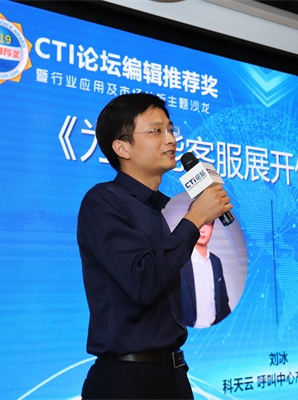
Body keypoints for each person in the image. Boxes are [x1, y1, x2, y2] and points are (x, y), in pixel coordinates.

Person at [77, 93, 232, 399]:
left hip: (172, 376)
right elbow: (143, 282)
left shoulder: (154, 210)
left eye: (171, 130)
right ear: (122, 148)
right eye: (156, 131)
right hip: (127, 382)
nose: (171, 139)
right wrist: (194, 218)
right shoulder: (103, 202)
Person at [181, 218, 231, 328]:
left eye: (207, 224)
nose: (202, 230)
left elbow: (223, 303)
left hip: (214, 331)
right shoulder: (180, 261)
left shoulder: (216, 262)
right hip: (187, 333)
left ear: (212, 228)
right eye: (199, 223)